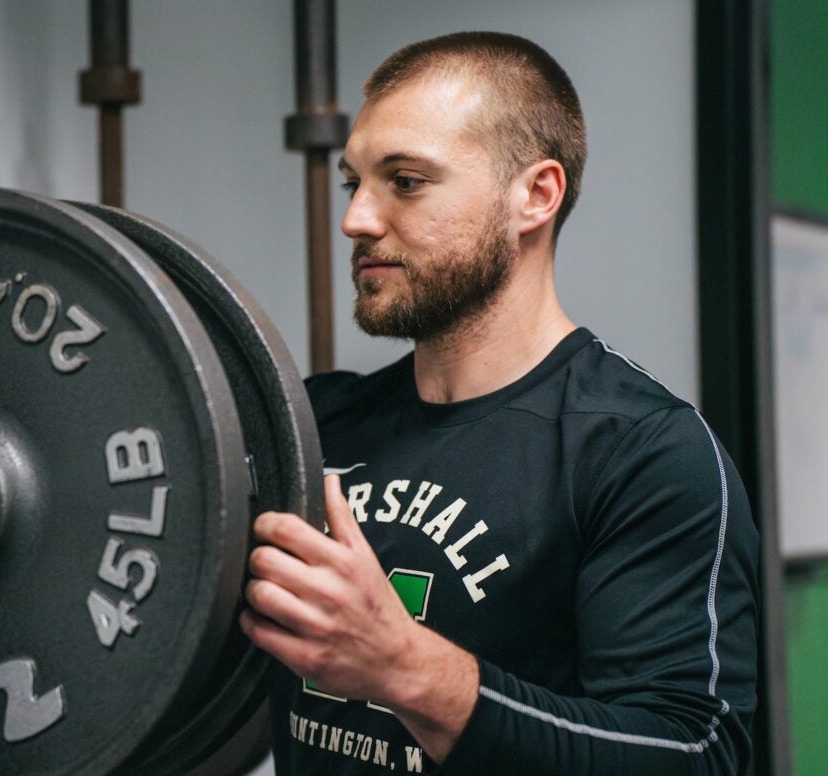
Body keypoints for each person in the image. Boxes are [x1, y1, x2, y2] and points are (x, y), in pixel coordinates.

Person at [238, 31, 759, 775]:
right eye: (356, 184)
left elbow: (692, 756)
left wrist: (407, 668)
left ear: (536, 195)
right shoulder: (314, 422)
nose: (356, 220)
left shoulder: (643, 453)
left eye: (407, 181)